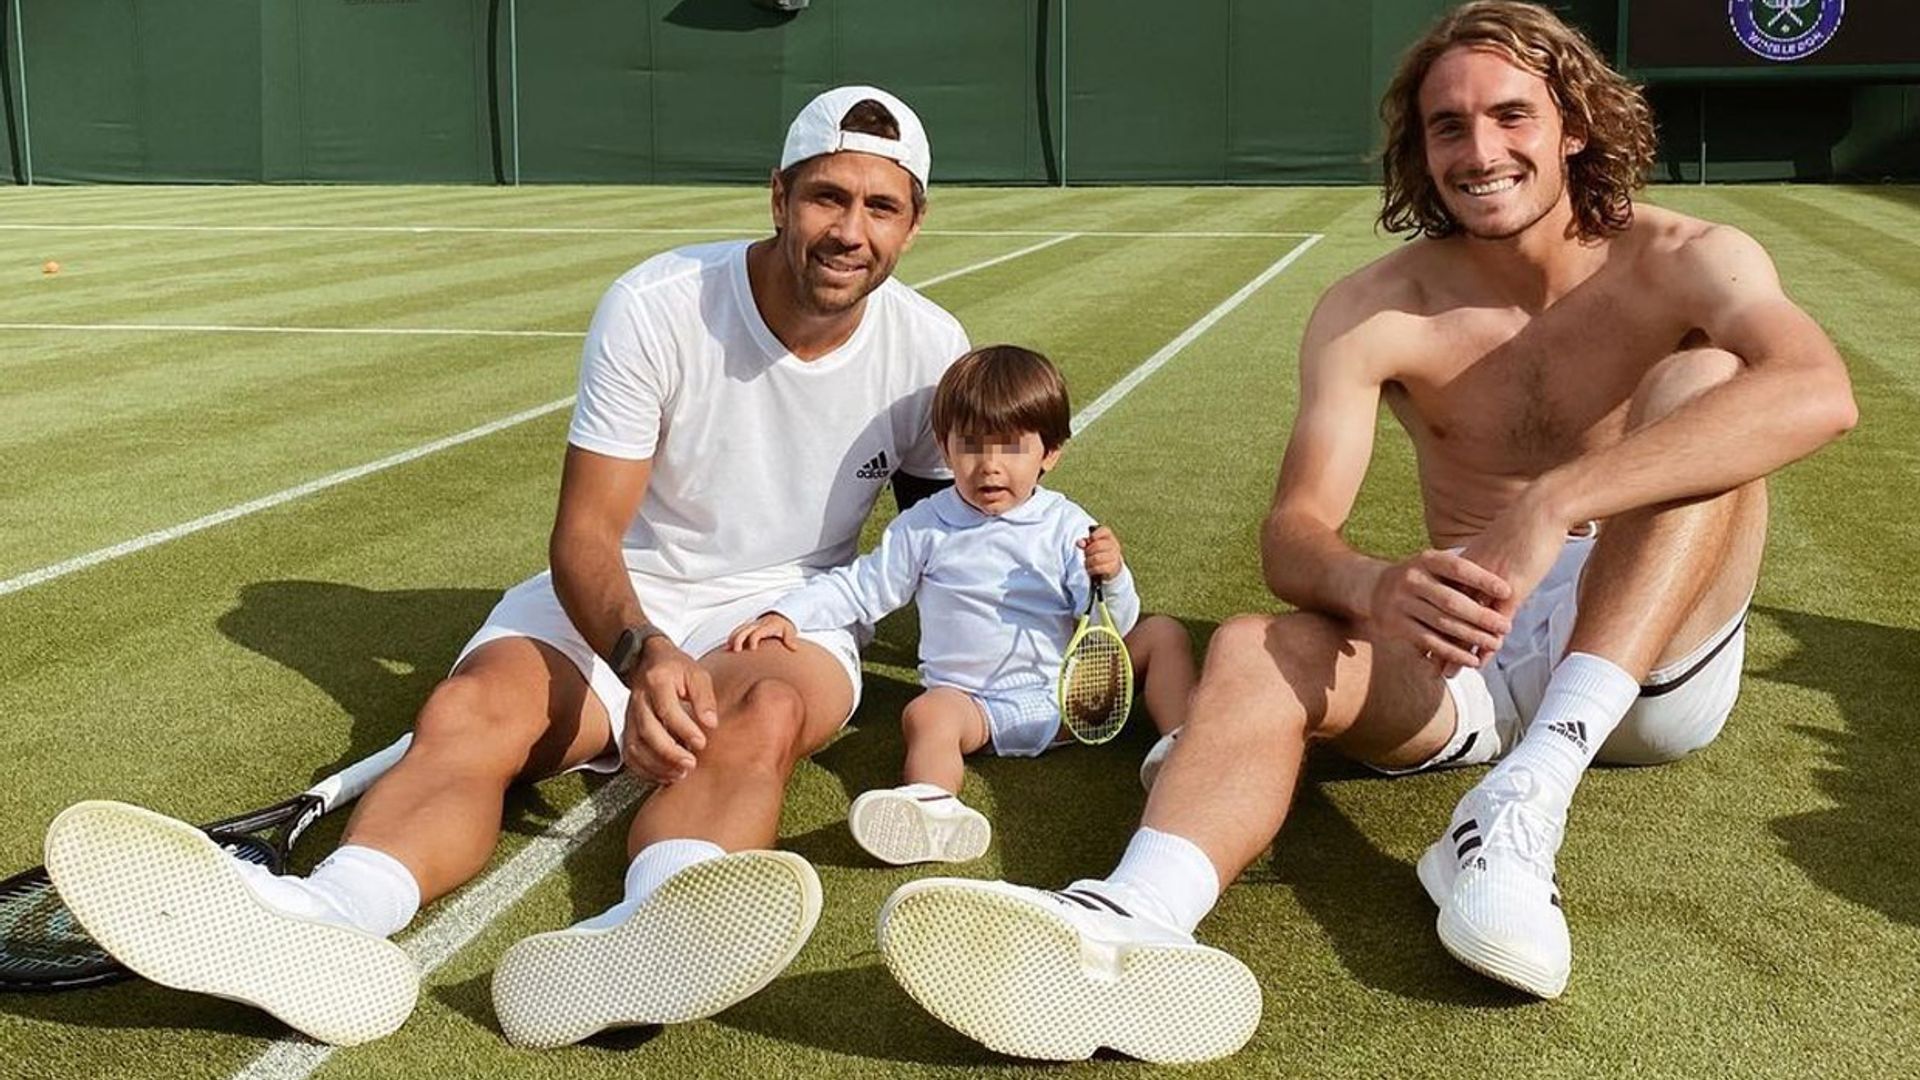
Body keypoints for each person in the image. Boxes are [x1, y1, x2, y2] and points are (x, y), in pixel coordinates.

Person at [874, 0, 1857, 1063]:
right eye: (1448, 126)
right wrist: (1374, 587)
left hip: (1647, 657)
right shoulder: (1372, 309)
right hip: (1468, 649)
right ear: (1417, 145)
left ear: (1574, 123)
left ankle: (1526, 801)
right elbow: (1294, 535)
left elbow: (1817, 392)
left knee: (1709, 382)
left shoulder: (1691, 259)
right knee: (1253, 643)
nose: (1481, 152)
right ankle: (1130, 920)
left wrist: (1552, 502)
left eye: (1512, 116)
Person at [44, 85, 970, 1049]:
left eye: (879, 206)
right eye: (827, 197)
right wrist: (642, 652)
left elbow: (941, 534)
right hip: (622, 590)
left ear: (913, 224)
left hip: (781, 614)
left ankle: (657, 925)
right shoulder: (660, 303)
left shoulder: (929, 348)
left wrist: (986, 663)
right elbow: (583, 538)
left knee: (764, 712)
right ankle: (328, 916)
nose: (848, 229)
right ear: (779, 196)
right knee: (467, 713)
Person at [728, 345, 1195, 866]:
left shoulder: (1067, 526)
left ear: (1050, 453)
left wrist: (1111, 576)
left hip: (1069, 701)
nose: (990, 467)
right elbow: (862, 587)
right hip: (974, 710)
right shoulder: (924, 526)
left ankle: (1182, 748)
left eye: (1012, 448)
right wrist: (790, 613)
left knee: (1162, 634)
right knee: (927, 715)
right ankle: (933, 806)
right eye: (971, 446)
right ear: (945, 450)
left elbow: (1111, 623)